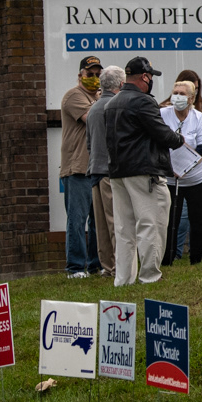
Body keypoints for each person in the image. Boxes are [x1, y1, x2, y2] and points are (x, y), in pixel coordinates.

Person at [106, 57, 185, 286]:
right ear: (144, 77)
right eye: (150, 77)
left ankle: (123, 280)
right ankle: (150, 276)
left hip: (118, 172)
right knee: (152, 223)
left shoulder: (112, 103)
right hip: (144, 171)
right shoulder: (143, 101)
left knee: (124, 229)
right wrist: (179, 139)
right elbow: (162, 134)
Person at [163, 69, 202, 261]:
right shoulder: (162, 112)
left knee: (198, 219)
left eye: (182, 94)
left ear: (191, 98)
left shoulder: (201, 114)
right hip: (170, 177)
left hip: (198, 176)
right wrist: (170, 169)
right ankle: (168, 256)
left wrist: (184, 168)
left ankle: (196, 258)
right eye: (175, 93)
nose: (177, 97)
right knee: (170, 219)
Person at [58, 56, 102, 277]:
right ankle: (75, 267)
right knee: (77, 220)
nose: (94, 78)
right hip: (77, 168)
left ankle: (96, 264)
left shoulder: (100, 97)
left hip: (97, 168)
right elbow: (93, 119)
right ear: (80, 75)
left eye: (97, 75)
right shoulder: (74, 96)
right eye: (89, 74)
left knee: (98, 221)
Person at [84, 67, 123, 278]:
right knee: (116, 221)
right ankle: (119, 266)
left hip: (94, 170)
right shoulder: (115, 106)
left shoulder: (93, 108)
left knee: (100, 226)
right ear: (120, 85)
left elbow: (89, 143)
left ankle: (107, 267)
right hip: (111, 171)